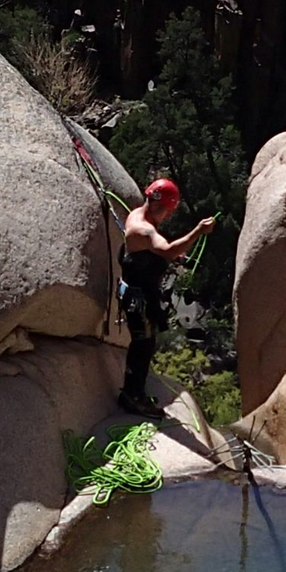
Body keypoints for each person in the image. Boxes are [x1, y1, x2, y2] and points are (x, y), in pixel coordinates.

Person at [117, 176, 215, 416]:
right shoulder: (144, 229)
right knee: (143, 346)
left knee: (143, 344)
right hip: (139, 300)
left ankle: (133, 392)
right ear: (160, 207)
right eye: (168, 212)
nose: (168, 217)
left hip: (135, 293)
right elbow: (168, 250)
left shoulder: (136, 214)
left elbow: (154, 250)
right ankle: (133, 396)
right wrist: (198, 232)